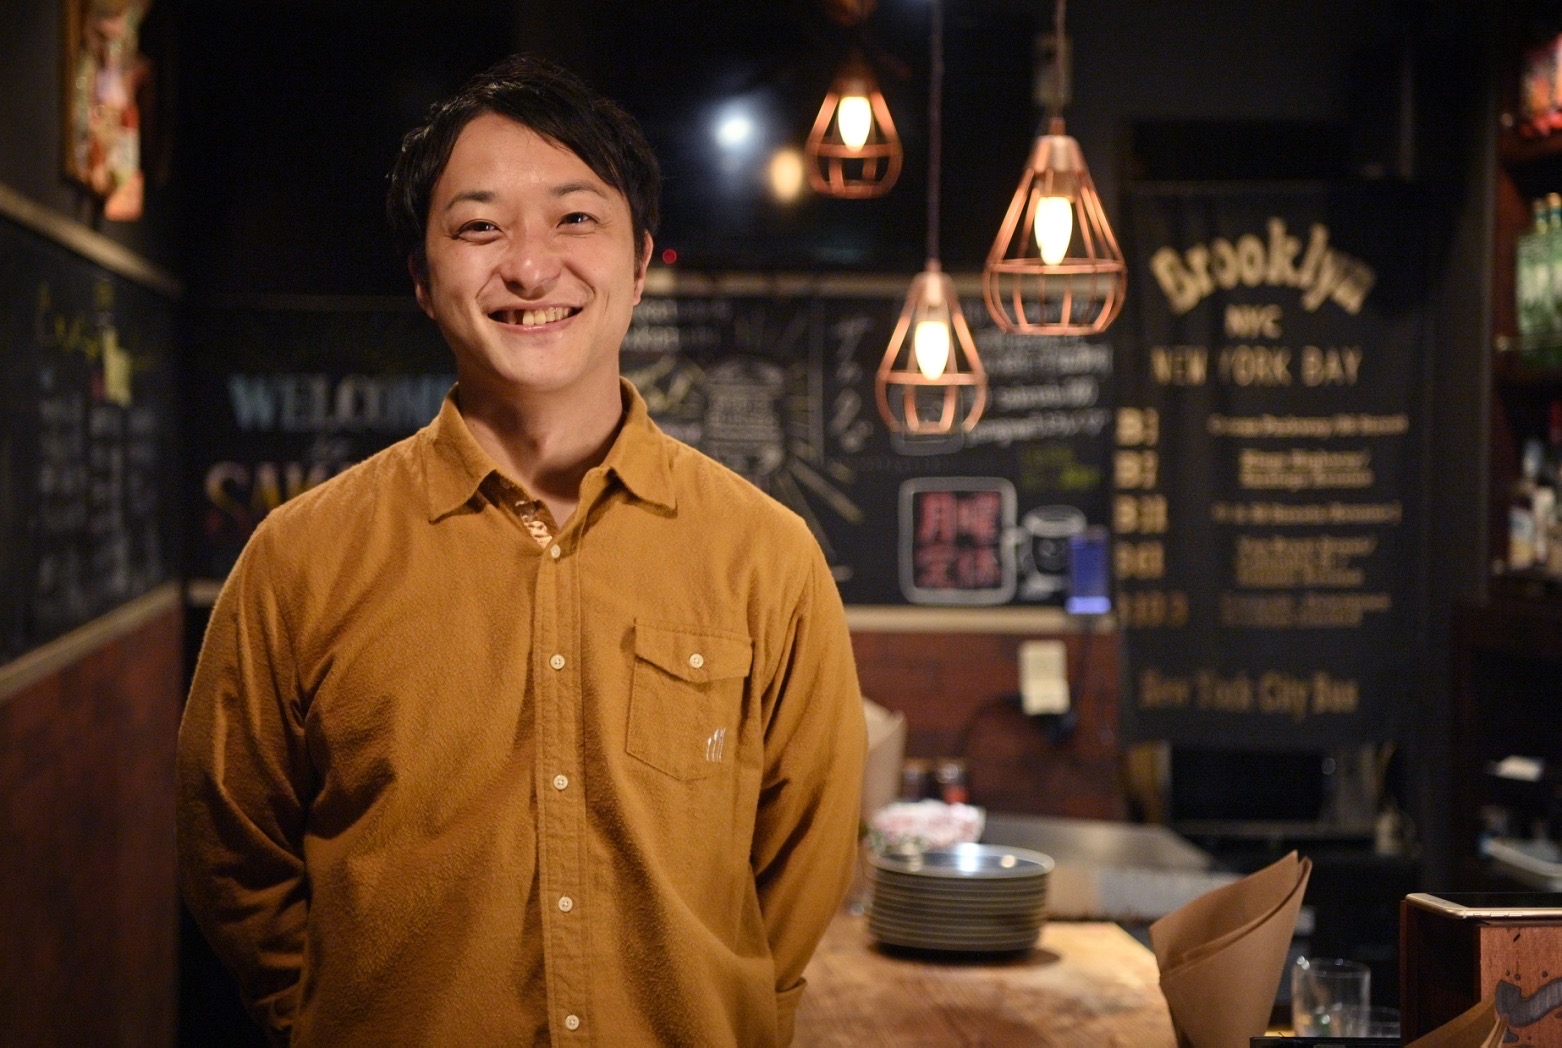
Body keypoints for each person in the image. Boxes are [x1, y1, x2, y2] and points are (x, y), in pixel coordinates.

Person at [176, 54, 867, 1047]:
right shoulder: (300, 558)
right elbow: (230, 852)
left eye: (575, 217)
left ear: (640, 263)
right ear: (423, 279)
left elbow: (801, 870)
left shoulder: (766, 557)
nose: (531, 267)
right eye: (479, 227)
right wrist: (330, 1012)